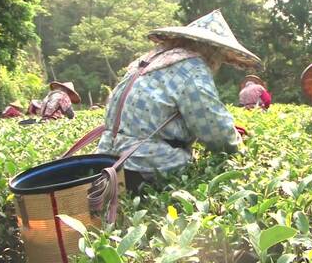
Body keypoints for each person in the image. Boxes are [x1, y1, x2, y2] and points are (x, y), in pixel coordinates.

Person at [96, 10, 261, 193]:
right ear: (212, 50)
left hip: (106, 160)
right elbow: (216, 131)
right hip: (144, 165)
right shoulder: (191, 67)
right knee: (210, 180)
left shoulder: (147, 61)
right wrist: (241, 149)